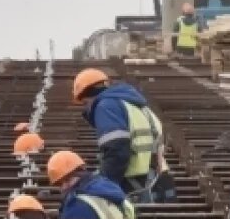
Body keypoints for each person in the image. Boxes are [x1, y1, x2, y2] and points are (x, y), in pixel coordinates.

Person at [71, 68, 170, 202]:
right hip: (156, 180)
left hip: (133, 185)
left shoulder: (106, 106)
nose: (86, 108)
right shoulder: (136, 105)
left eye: (85, 103)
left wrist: (103, 186)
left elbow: (117, 152)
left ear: (89, 95)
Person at [47, 150, 136, 219]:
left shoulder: (76, 204)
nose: (64, 187)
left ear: (80, 174)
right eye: (59, 184)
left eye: (67, 180)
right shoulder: (109, 186)